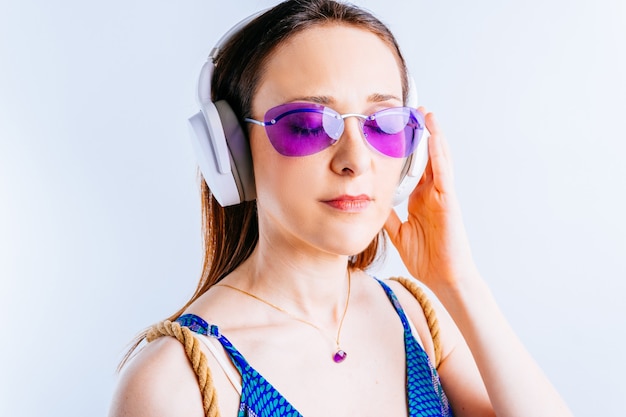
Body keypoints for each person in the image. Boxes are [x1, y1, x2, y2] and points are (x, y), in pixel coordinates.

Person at [108, 1, 573, 416]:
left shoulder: (418, 317)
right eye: (309, 124)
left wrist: (458, 283)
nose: (356, 160)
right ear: (231, 154)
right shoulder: (176, 380)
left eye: (384, 123)